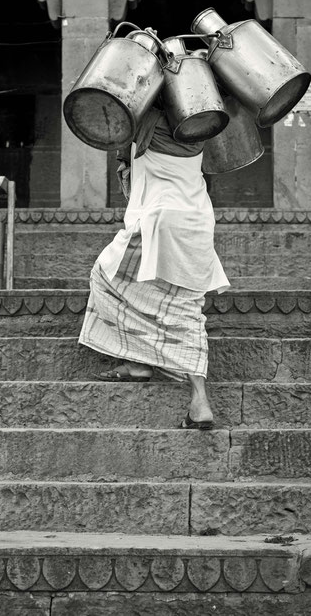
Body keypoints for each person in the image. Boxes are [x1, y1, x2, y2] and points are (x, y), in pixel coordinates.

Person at [78, 108, 230, 430]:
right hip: (199, 221)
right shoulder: (200, 124)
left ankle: (137, 360)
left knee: (104, 277)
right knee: (187, 311)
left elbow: (120, 144)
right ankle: (196, 399)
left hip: (159, 220)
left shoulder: (147, 120)